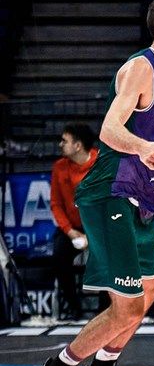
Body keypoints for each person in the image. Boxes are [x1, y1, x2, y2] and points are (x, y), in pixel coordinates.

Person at [32, 0, 154, 366]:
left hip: (140, 200)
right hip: (111, 194)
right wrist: (142, 146)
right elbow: (110, 130)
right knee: (128, 307)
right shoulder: (139, 68)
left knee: (150, 289)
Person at [50, 124, 98, 321]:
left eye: (65, 141)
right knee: (59, 255)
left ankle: (106, 311)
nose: (60, 144)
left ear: (78, 146)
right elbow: (56, 204)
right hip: (72, 229)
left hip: (98, 227)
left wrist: (92, 234)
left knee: (107, 260)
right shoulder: (59, 167)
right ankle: (73, 309)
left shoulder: (101, 162)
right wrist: (70, 232)